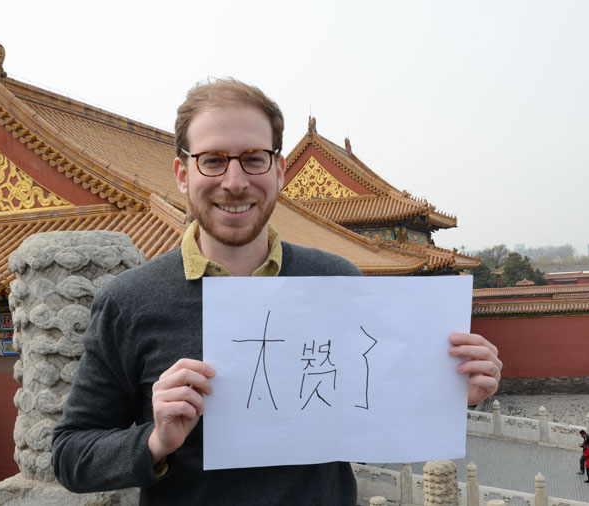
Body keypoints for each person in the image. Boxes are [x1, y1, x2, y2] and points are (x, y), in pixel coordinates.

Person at [51, 78, 503, 505]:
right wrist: (155, 441)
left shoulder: (336, 281)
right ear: (183, 174)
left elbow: (369, 417)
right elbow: (71, 454)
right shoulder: (129, 301)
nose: (234, 181)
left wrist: (442, 391)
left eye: (253, 158)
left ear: (279, 170)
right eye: (212, 160)